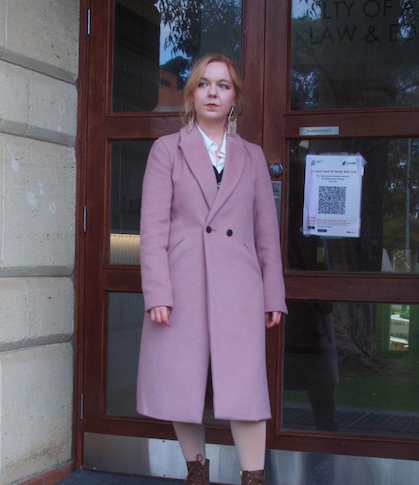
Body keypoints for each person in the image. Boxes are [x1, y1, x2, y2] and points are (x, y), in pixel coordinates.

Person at [136, 52, 287, 485]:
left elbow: (265, 231)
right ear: (191, 94)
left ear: (234, 96)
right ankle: (196, 472)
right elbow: (154, 228)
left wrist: (273, 293)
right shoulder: (167, 149)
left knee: (245, 389)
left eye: (222, 85)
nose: (213, 92)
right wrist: (157, 292)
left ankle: (253, 478)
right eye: (204, 84)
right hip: (182, 285)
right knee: (181, 384)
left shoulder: (252, 155)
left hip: (238, 287)